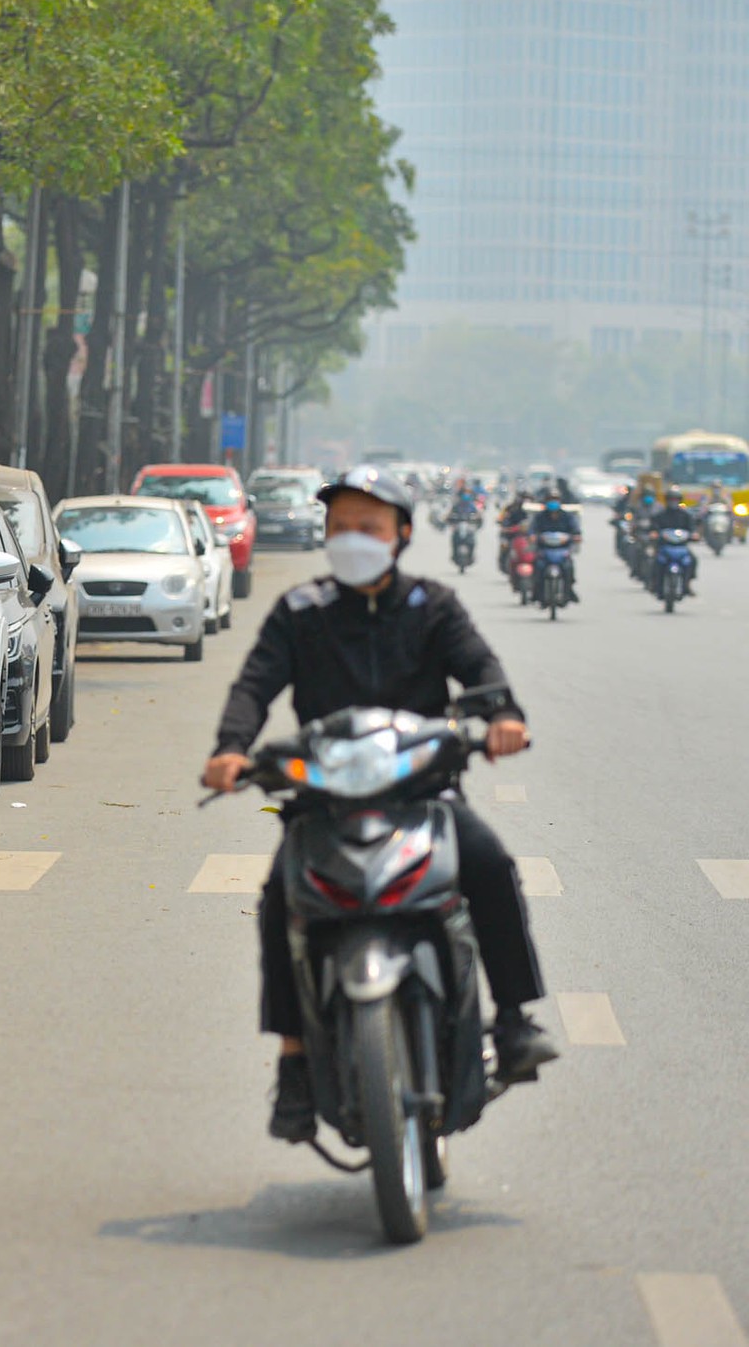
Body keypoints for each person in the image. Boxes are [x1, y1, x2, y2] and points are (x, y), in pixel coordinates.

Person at [200, 468, 560, 1144]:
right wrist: (230, 748)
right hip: (323, 802)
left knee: (490, 864)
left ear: (402, 534)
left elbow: (481, 670)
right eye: (340, 526)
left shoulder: (434, 605)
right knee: (282, 899)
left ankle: (513, 1019)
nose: (352, 538)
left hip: (425, 792)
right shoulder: (299, 611)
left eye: (368, 526)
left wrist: (505, 714)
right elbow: (254, 684)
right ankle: (296, 1064)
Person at [529, 495, 582, 602]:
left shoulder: (567, 516)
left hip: (562, 550)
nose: (553, 503)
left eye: (555, 500)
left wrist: (576, 536)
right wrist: (532, 536)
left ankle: (569, 591)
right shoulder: (540, 517)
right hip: (544, 550)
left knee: (568, 568)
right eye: (550, 500)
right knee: (538, 568)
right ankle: (536, 593)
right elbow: (532, 530)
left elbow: (575, 530)